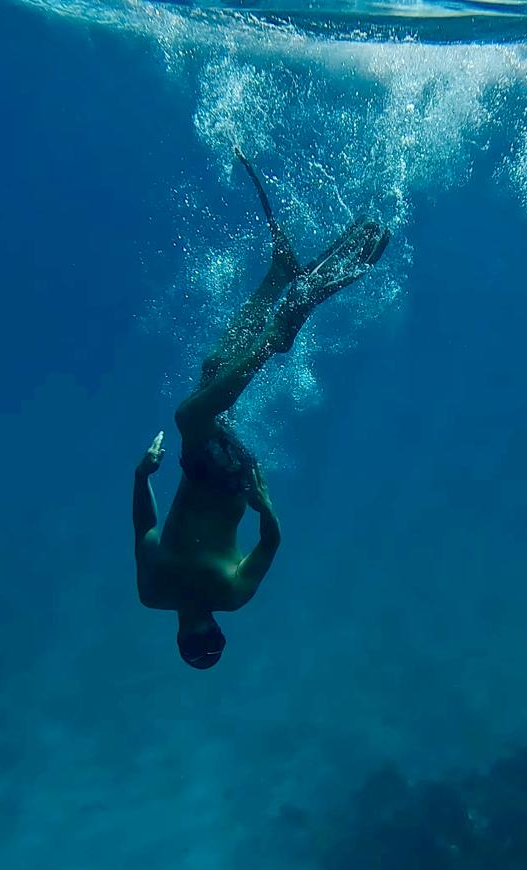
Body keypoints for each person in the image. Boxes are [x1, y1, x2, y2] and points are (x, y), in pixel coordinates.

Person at [134, 150, 389, 669]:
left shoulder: (178, 592)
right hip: (226, 476)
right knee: (191, 415)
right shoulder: (188, 593)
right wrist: (261, 499)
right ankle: (275, 338)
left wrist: (145, 476)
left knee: (212, 373)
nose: (199, 614)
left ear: (189, 634)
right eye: (207, 623)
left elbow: (149, 533)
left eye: (196, 624)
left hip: (218, 471)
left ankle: (282, 277)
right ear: (211, 629)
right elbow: (267, 538)